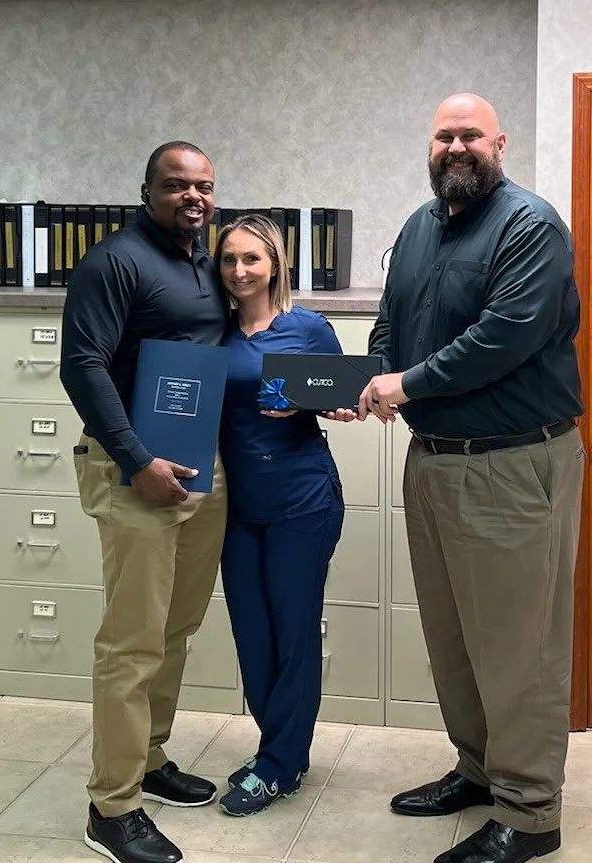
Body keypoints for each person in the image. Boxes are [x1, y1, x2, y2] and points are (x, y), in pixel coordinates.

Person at [357, 94, 585, 863]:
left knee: (519, 649)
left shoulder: (529, 226)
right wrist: (375, 379)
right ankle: (480, 770)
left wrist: (406, 385)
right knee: (453, 639)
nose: (456, 147)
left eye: (471, 136)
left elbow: (503, 337)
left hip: (511, 465)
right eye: (443, 136)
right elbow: (390, 320)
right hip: (433, 462)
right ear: (430, 146)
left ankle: (530, 812)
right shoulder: (418, 228)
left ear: (500, 143)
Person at [61, 141, 228, 863]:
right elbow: (82, 365)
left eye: (204, 186)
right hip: (137, 471)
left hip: (197, 468)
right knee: (131, 642)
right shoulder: (114, 262)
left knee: (175, 628)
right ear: (147, 192)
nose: (193, 197)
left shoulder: (205, 262)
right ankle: (112, 805)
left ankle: (150, 757)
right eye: (177, 185)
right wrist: (136, 461)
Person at [213, 213, 356, 815]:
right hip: (236, 507)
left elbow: (345, 396)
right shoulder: (213, 332)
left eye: (252, 258)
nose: (240, 270)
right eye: (229, 259)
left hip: (302, 501)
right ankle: (280, 749)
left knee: (293, 633)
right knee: (252, 635)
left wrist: (320, 404)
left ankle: (278, 763)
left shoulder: (307, 328)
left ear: (275, 264)